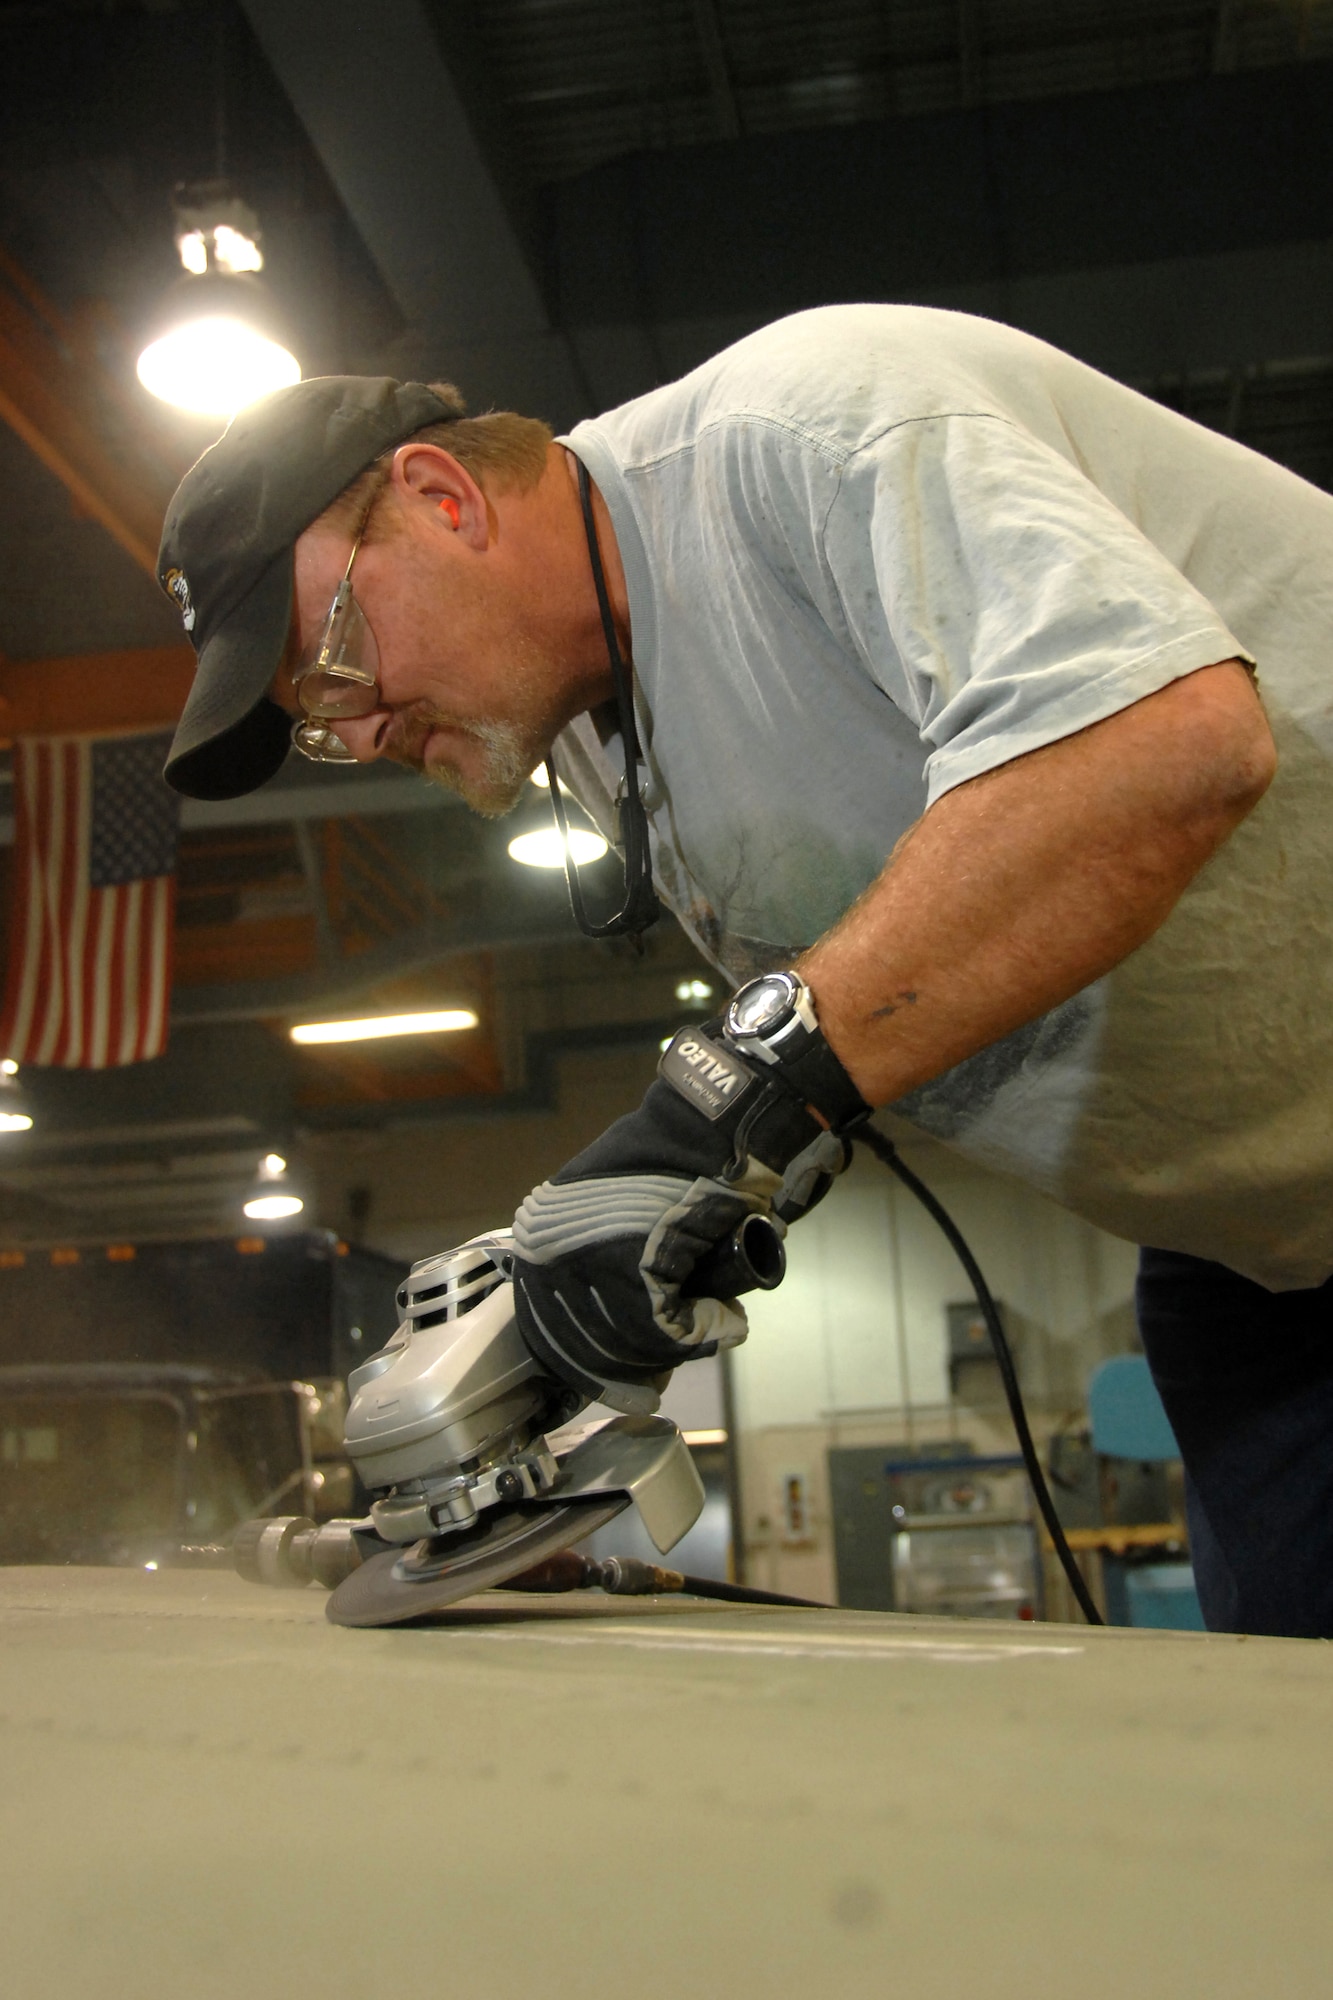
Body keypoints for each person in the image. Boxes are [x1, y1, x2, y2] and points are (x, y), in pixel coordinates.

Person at [157, 305, 1333, 1638]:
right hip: (1252, 1261)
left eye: (330, 657)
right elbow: (860, 1028)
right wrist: (555, 1392)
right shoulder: (606, 746)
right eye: (315, 721)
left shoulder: (803, 428)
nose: (353, 724)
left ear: (440, 499)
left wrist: (713, 1110)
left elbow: (1165, 745)